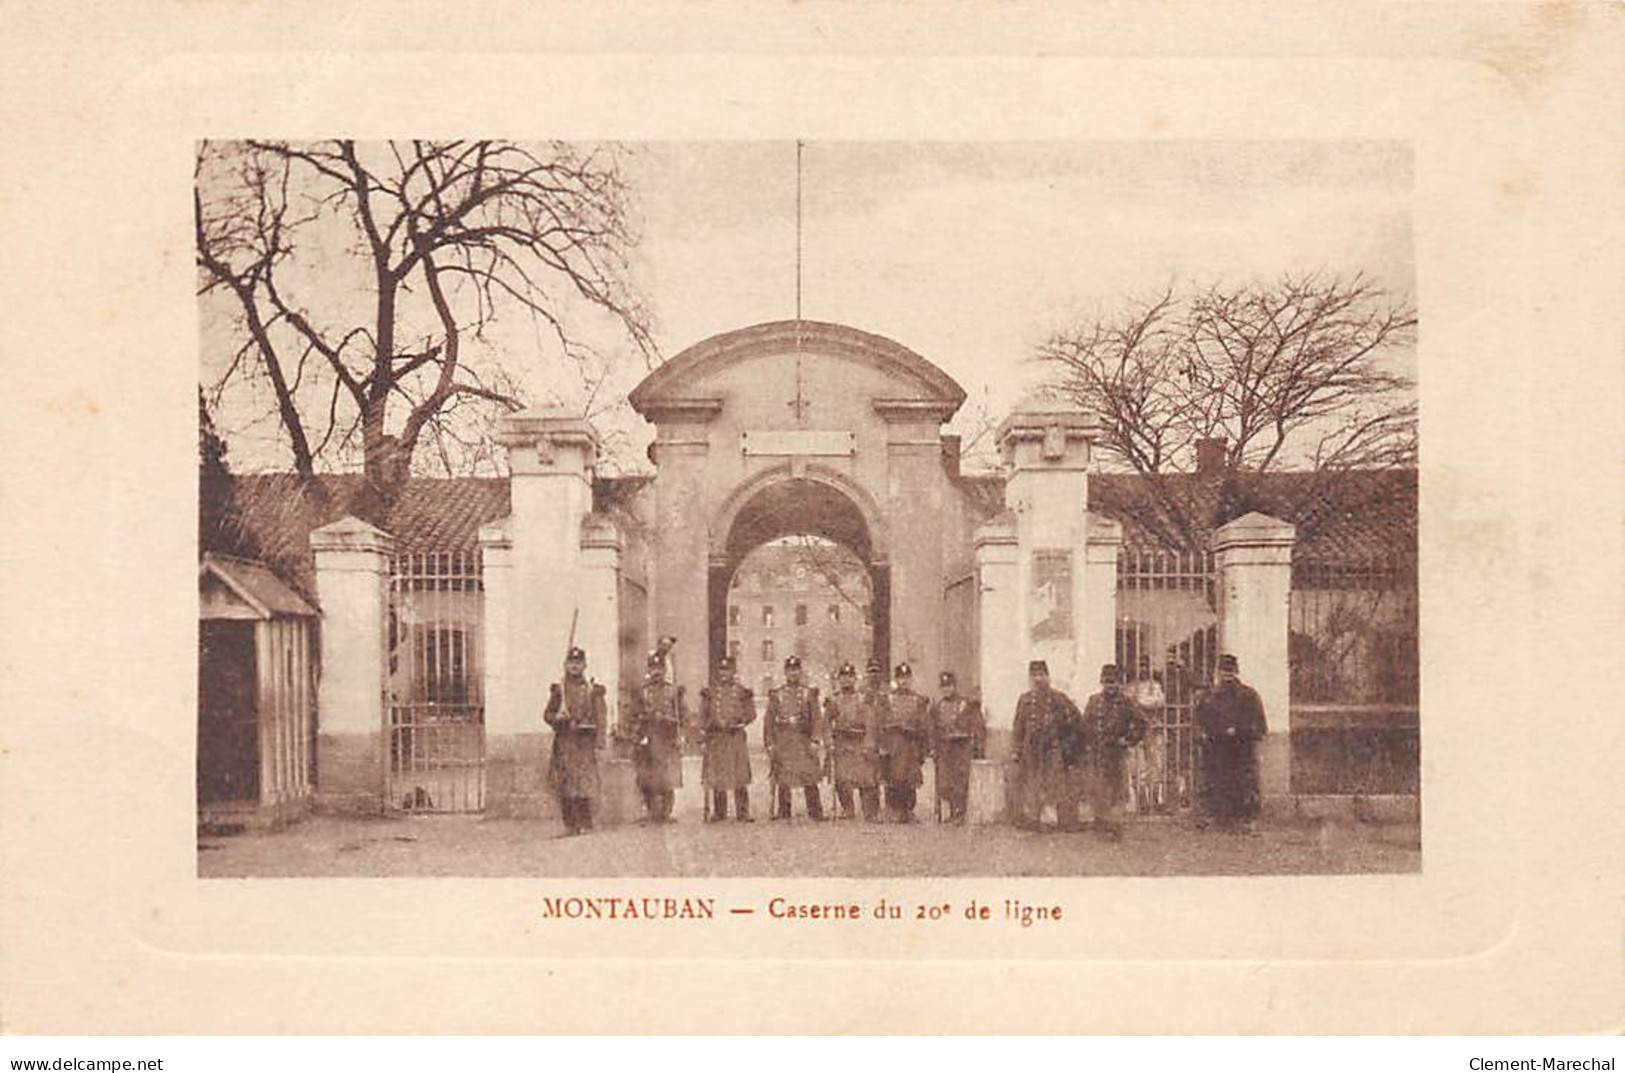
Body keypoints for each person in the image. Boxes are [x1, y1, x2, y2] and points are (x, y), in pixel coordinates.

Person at [1193, 653, 1268, 831]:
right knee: (1214, 781)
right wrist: (1204, 734)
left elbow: (1259, 724)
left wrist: (1240, 730)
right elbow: (1200, 720)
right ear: (1218, 673)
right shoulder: (1208, 696)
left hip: (1241, 747)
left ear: (1237, 672)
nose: (1227, 676)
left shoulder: (1249, 695)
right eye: (1223, 672)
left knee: (1245, 783)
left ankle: (1246, 820)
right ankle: (1215, 817)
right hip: (1216, 747)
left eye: (1230, 672)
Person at [1009, 659, 1086, 831]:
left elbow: (1077, 722)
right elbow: (1018, 727)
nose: (1038, 679)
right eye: (1034, 675)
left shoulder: (1058, 699)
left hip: (1053, 749)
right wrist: (1016, 749)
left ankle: (1052, 820)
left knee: (1053, 783)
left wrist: (1068, 744)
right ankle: (1034, 819)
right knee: (1033, 784)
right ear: (1030, 679)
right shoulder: (1025, 700)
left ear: (1048, 677)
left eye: (1041, 675)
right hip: (1031, 750)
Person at [541, 645, 606, 836]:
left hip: (584, 742)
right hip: (564, 742)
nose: (575, 667)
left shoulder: (591, 689)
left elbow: (599, 715)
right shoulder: (559, 690)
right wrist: (558, 718)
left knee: (584, 783)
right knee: (565, 784)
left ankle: (586, 822)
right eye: (571, 663)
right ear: (566, 665)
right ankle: (570, 824)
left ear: (585, 665)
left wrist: (599, 738)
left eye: (578, 663)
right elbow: (547, 715)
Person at [1080, 664, 1150, 841]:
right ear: (1102, 682)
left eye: (1114, 682)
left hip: (1115, 752)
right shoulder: (1094, 701)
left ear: (1120, 683)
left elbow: (1142, 723)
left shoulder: (1126, 702)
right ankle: (1101, 823)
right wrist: (1087, 745)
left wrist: (1128, 740)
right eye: (1107, 682)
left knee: (1117, 790)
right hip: (1096, 752)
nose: (1110, 686)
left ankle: (1115, 826)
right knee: (1097, 789)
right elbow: (1085, 724)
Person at [621, 650, 687, 823]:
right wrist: (636, 728)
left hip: (667, 738)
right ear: (649, 670)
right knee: (646, 776)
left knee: (666, 777)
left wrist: (675, 725)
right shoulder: (642, 692)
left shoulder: (672, 691)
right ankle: (651, 811)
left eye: (660, 668)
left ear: (665, 670)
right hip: (647, 737)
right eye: (653, 668)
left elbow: (683, 715)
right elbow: (632, 714)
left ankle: (665, 812)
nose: (656, 672)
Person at [765, 655, 826, 820]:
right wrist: (770, 743)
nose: (793, 673)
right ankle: (784, 811)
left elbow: (817, 719)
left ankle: (815, 812)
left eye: (796, 670)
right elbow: (769, 721)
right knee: (784, 777)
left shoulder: (809, 694)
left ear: (800, 672)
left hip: (803, 739)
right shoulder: (777, 695)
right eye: (790, 670)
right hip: (784, 739)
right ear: (785, 672)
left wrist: (815, 739)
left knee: (809, 775)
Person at [699, 654, 756, 822]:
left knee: (740, 775)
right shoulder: (710, 693)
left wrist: (741, 722)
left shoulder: (742, 692)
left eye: (728, 670)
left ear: (733, 671)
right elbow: (703, 715)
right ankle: (719, 812)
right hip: (717, 739)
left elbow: (751, 713)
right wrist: (704, 732)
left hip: (735, 737)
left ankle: (743, 812)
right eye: (721, 670)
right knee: (718, 776)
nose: (724, 673)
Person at [825, 662, 881, 821]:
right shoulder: (833, 700)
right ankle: (847, 809)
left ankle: (870, 811)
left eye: (850, 677)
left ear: (855, 679)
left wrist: (870, 744)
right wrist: (829, 742)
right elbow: (826, 723)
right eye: (843, 677)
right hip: (842, 743)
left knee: (866, 779)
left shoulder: (864, 698)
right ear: (839, 680)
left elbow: (870, 722)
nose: (846, 681)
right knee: (842, 779)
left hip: (860, 741)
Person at [928, 670, 985, 824]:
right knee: (945, 782)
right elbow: (932, 729)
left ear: (954, 687)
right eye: (944, 687)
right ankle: (951, 812)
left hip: (961, 748)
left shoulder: (965, 704)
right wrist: (933, 748)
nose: (947, 690)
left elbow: (977, 724)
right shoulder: (937, 707)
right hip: (944, 749)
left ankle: (960, 813)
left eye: (949, 686)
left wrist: (977, 746)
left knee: (960, 781)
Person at [878, 663, 930, 822]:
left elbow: (923, 724)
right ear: (896, 680)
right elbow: (881, 721)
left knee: (910, 778)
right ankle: (892, 809)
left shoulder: (919, 700)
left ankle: (908, 810)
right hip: (893, 744)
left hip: (910, 744)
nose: (904, 681)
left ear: (911, 679)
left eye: (907, 678)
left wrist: (923, 747)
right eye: (901, 678)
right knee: (892, 777)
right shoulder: (887, 699)